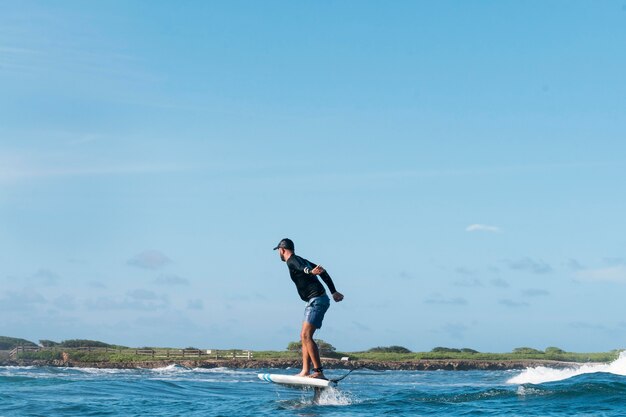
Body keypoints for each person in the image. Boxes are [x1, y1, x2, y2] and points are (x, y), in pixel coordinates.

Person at [273, 238, 344, 379]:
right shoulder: (301, 259)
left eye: (278, 251)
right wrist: (333, 291)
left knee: (306, 336)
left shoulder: (292, 261)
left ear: (282, 250)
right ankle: (305, 371)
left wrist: (310, 272)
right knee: (304, 336)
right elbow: (322, 271)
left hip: (317, 300)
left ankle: (318, 372)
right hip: (315, 300)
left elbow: (303, 269)